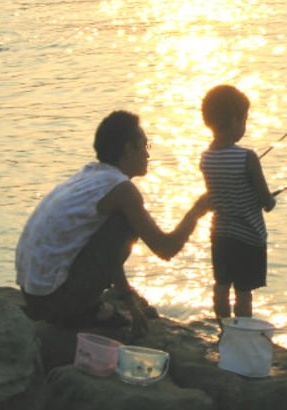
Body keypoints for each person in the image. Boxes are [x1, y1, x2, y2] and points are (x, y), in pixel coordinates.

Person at [15, 110, 211, 333]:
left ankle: (89, 307)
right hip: (52, 300)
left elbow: (104, 249)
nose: (148, 155)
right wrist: (197, 211)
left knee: (119, 223)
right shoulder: (121, 190)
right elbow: (165, 248)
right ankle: (80, 313)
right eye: (144, 147)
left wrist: (128, 299)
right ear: (128, 149)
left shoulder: (89, 176)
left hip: (31, 293)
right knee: (125, 225)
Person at [199, 85, 276, 320]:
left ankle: (223, 328)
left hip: (221, 235)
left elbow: (220, 192)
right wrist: (270, 199)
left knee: (221, 285)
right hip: (249, 237)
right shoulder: (248, 157)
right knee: (244, 292)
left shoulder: (206, 158)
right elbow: (266, 202)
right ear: (234, 120)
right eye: (244, 120)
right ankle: (241, 331)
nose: (244, 125)